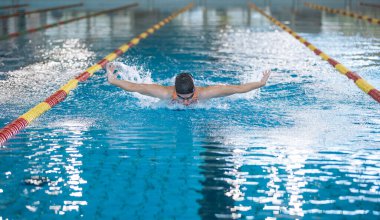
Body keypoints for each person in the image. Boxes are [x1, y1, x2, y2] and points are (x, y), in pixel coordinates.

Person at [107, 62, 271, 106]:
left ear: (195, 90)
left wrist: (260, 83)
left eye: (189, 98)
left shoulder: (207, 93)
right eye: (181, 98)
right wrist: (113, 80)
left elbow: (238, 89)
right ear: (174, 92)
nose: (185, 103)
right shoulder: (164, 93)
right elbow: (137, 87)